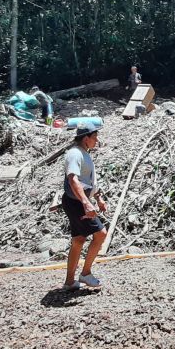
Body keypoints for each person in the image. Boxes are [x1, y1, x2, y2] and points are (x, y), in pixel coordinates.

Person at [61, 122, 108, 290]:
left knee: (78, 240)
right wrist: (86, 203)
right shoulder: (75, 154)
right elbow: (73, 179)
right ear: (86, 138)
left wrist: (98, 198)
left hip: (77, 201)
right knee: (101, 234)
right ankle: (86, 273)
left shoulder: (84, 154)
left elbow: (88, 182)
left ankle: (69, 281)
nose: (97, 140)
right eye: (95, 137)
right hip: (76, 202)